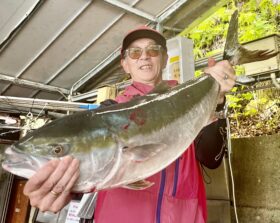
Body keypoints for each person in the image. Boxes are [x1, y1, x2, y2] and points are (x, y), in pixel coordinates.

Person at [23, 26, 236, 223]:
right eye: (134, 53)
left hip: (183, 215)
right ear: (125, 64)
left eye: (153, 50)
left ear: (164, 58)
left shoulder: (188, 100)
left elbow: (211, 158)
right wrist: (63, 188)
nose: (144, 56)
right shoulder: (108, 111)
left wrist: (217, 99)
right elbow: (91, 163)